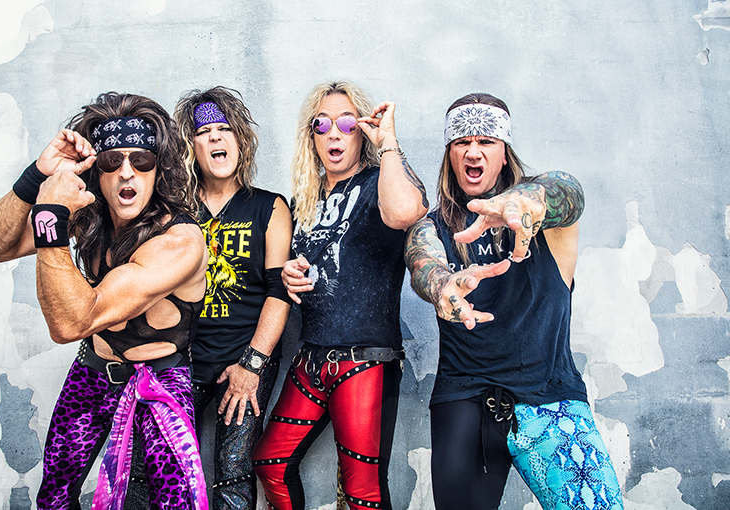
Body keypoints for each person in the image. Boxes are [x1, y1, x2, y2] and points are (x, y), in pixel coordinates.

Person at [0, 92, 209, 510]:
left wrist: (50, 216)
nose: (127, 172)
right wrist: (37, 177)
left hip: (160, 381)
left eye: (142, 160)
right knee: (55, 497)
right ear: (96, 170)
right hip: (93, 371)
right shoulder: (88, 219)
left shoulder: (178, 242)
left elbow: (73, 323)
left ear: (159, 169)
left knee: (174, 503)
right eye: (112, 160)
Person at [404, 93, 623, 510]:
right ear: (450, 154)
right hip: (465, 396)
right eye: (462, 142)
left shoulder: (545, 219)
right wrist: (442, 286)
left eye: (486, 141)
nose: (473, 151)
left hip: (550, 397)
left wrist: (525, 201)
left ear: (504, 153)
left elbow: (568, 190)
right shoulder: (433, 227)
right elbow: (423, 264)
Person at [252, 80, 429, 510]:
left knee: (362, 491)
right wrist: (290, 274)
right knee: (271, 462)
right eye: (322, 124)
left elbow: (407, 212)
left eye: (347, 123)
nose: (334, 132)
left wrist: (387, 142)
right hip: (311, 356)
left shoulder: (379, 182)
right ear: (311, 135)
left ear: (361, 131)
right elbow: (298, 265)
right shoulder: (304, 199)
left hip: (365, 358)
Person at [173, 86, 292, 510]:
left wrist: (251, 365)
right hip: (180, 360)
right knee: (155, 465)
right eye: (204, 132)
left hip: (246, 355)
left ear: (240, 140)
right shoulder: (175, 212)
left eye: (224, 129)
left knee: (234, 469)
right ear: (191, 147)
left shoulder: (270, 207)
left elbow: (280, 290)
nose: (216, 137)